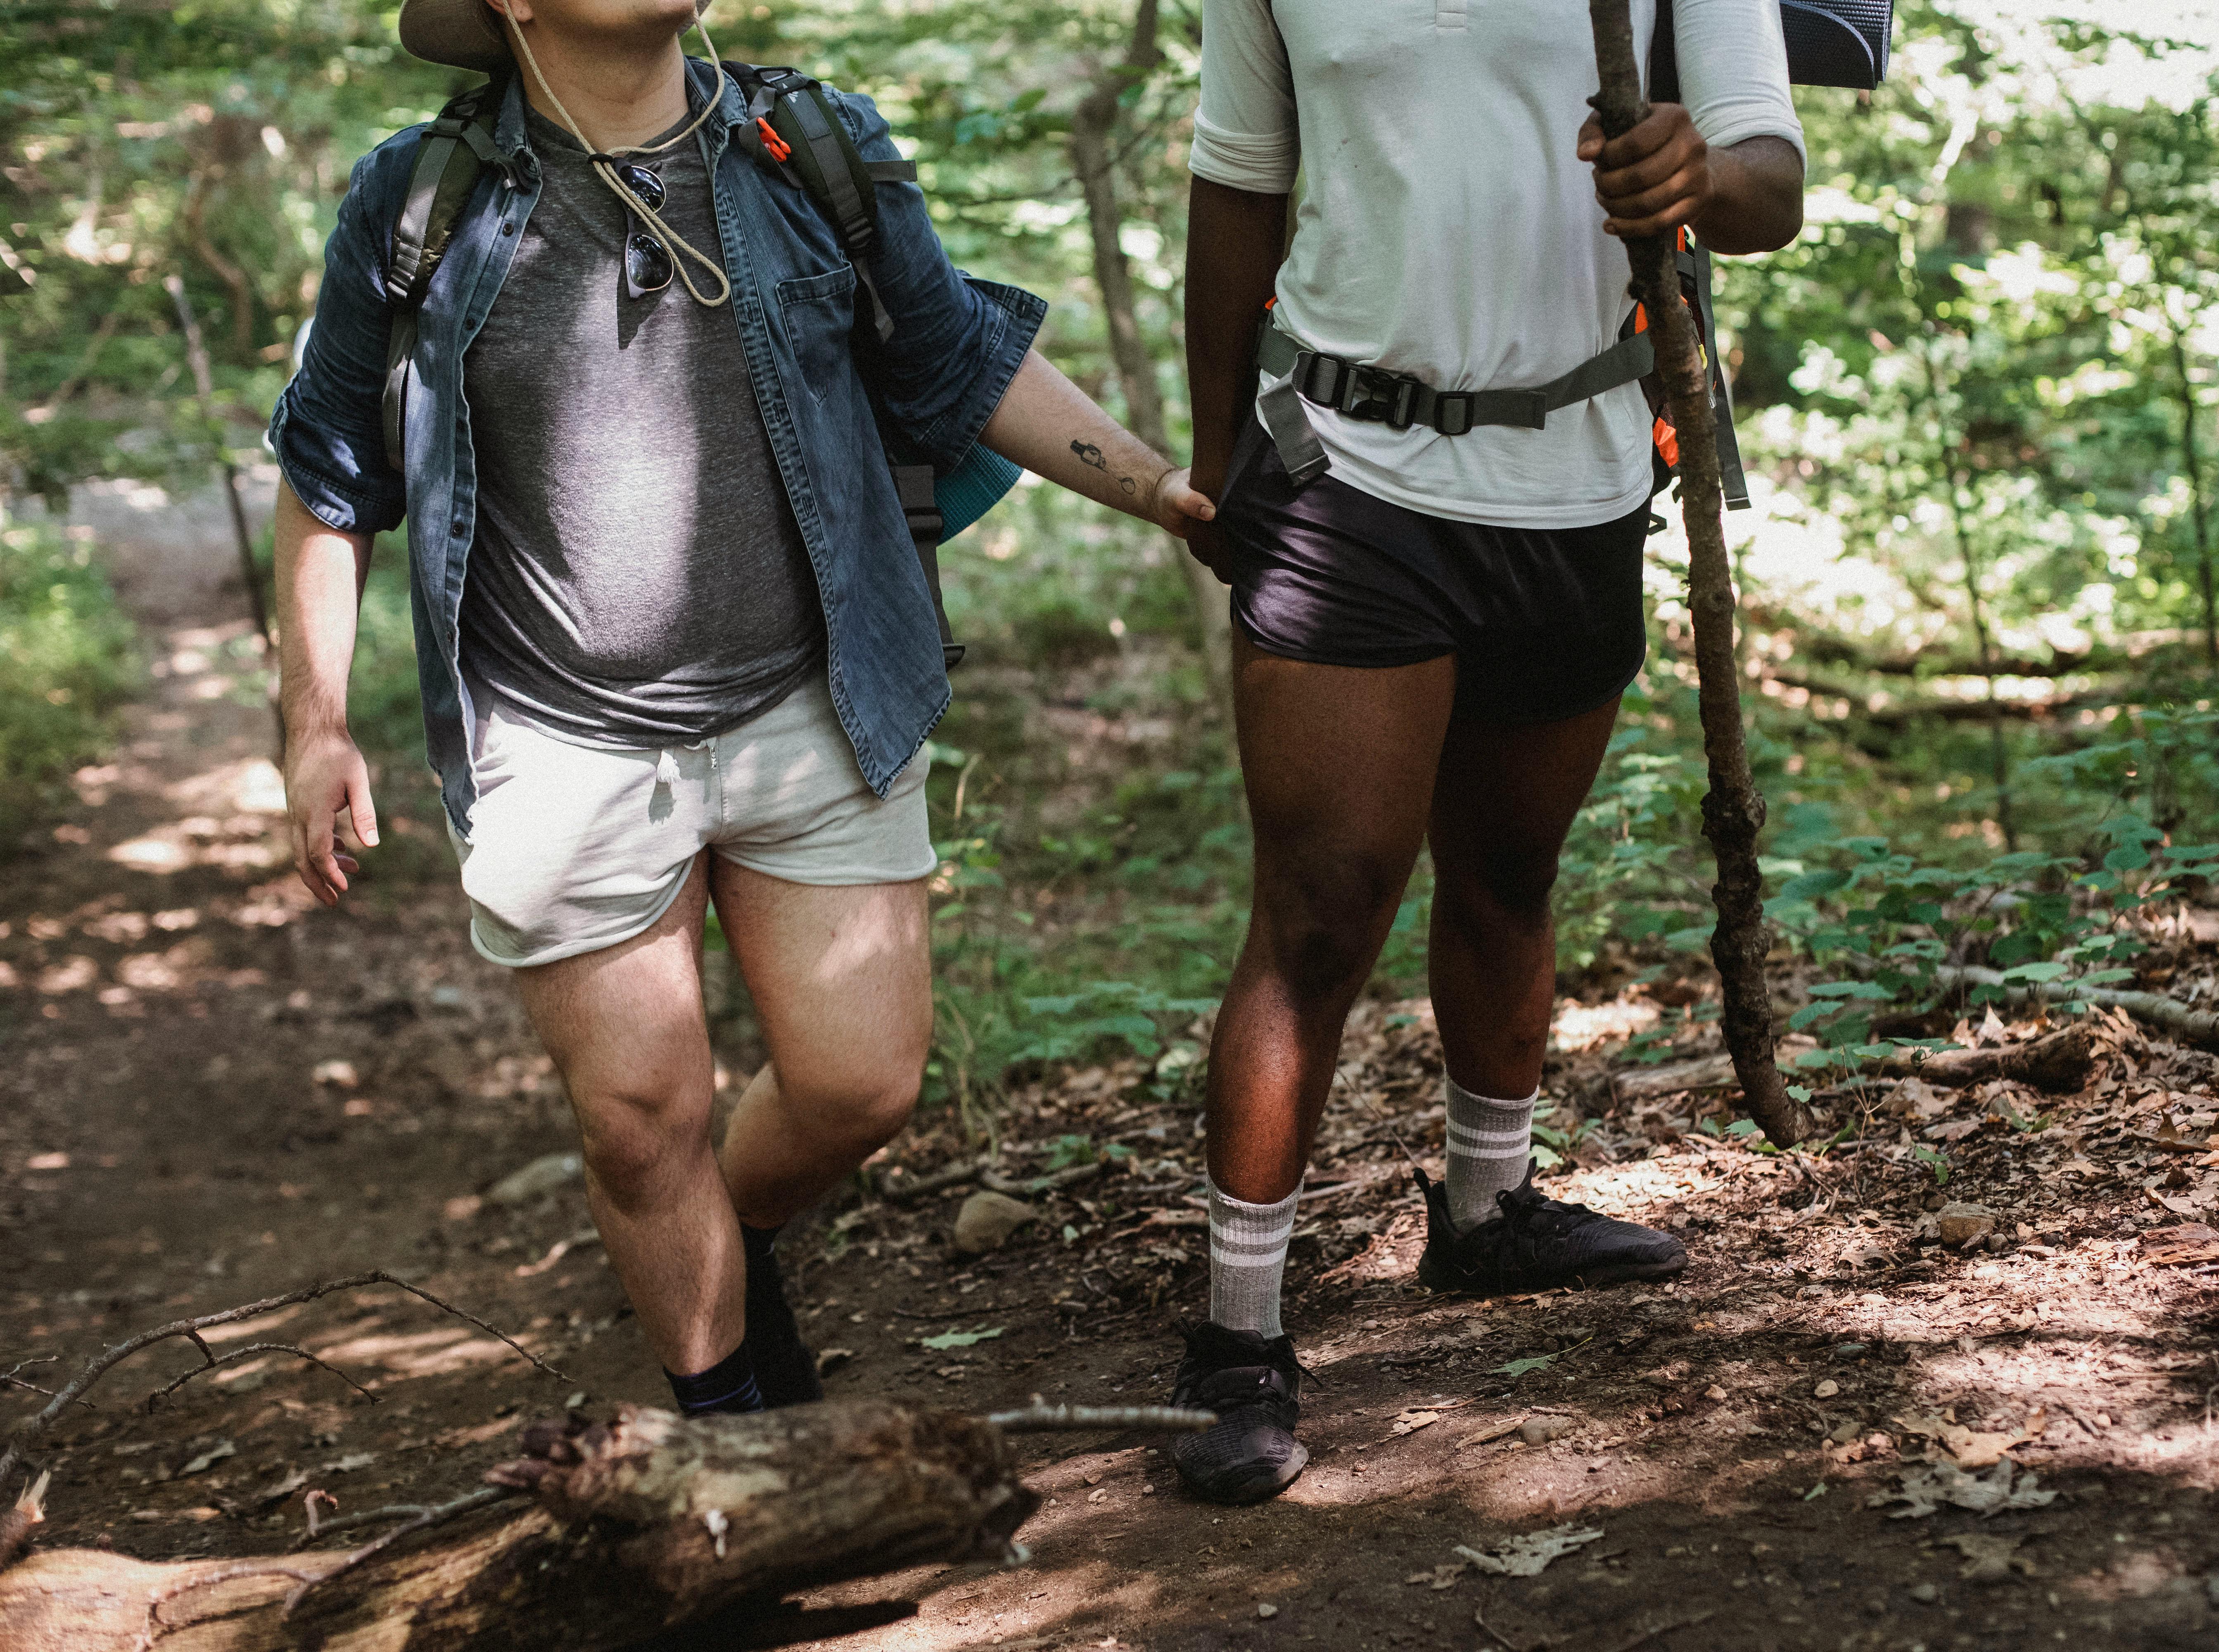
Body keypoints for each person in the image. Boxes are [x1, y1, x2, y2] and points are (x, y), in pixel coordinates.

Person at [271, 0, 1210, 1417]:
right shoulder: (423, 202)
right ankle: (729, 1446)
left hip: (814, 697)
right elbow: (332, 471)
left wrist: (1158, 489)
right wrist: (314, 723)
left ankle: (740, 1240)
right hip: (560, 732)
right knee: (641, 1124)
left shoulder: (806, 147)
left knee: (860, 1089)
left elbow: (956, 360)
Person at [1167, 0, 1807, 1503]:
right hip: (1347, 469)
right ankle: (1237, 1334)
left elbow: (1773, 183)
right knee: (1322, 912)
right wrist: (1212, 454)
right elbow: (1237, 184)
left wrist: (1695, 175)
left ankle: (1489, 1208)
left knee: (1513, 870)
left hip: (1578, 477)